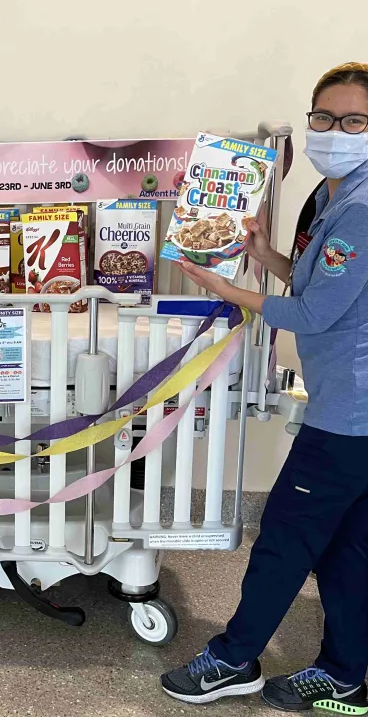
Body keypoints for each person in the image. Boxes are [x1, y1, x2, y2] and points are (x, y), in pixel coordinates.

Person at [161, 62, 368, 713]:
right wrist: (262, 256)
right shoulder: (337, 192)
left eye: (354, 120)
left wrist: (229, 290)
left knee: (284, 535)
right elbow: (318, 287)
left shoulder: (360, 207)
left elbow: (311, 315)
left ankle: (233, 659)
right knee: (346, 548)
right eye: (325, 117)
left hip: (349, 415)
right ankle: (344, 674)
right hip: (350, 406)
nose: (334, 130)